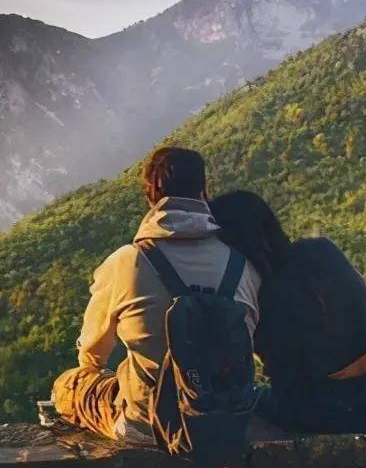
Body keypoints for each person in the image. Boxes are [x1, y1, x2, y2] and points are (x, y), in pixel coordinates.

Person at [50, 148, 263, 444]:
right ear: (203, 191)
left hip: (146, 423)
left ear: (151, 195)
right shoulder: (241, 266)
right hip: (223, 420)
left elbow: (92, 351)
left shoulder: (128, 261)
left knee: (69, 384)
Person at [210, 191, 366, 435]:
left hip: (320, 414)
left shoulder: (264, 295)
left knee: (229, 405)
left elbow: (286, 383)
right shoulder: (322, 250)